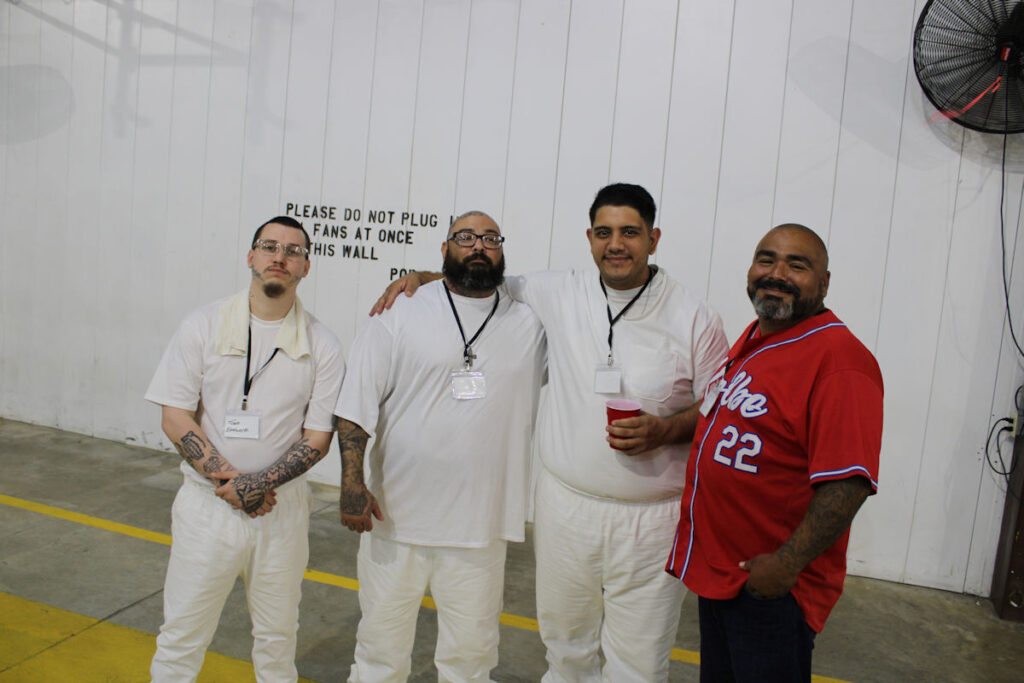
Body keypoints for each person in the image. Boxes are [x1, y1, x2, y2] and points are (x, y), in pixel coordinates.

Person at [374, 184, 728, 681]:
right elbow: (484, 278)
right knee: (565, 648)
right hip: (566, 510)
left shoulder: (695, 316)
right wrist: (423, 277)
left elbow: (719, 409)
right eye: (604, 233)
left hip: (652, 520)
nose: (616, 244)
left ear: (654, 238)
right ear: (589, 238)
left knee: (640, 663)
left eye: (630, 232)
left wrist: (667, 429)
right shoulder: (559, 291)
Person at [666, 223, 884, 682]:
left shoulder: (840, 363)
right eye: (766, 260)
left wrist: (784, 565)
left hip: (769, 585)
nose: (777, 274)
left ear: (824, 282)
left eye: (796, 265)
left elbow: (849, 483)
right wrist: (662, 429)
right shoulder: (758, 336)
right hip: (724, 572)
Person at [334, 211, 546, 682]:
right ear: (444, 248)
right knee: (379, 655)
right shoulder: (399, 312)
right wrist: (351, 481)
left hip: (481, 529)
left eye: (490, 238)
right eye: (465, 237)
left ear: (502, 250)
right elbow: (355, 404)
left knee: (470, 662)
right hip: (396, 521)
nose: (478, 246)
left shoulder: (530, 323)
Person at [145, 216, 345, 682]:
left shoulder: (323, 344)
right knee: (181, 637)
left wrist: (258, 485)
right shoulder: (203, 324)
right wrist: (232, 482)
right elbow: (175, 416)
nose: (280, 257)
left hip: (281, 511)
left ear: (306, 267)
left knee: (278, 642)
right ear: (251, 256)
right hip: (207, 507)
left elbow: (317, 438)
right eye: (270, 246)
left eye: (293, 251)